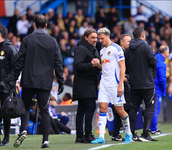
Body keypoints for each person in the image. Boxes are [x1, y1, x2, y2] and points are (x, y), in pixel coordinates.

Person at [1, 14, 64, 148]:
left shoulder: (27, 39)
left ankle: (23, 129)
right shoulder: (52, 41)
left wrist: (13, 78)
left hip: (28, 80)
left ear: (34, 24)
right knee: (45, 110)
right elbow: (58, 62)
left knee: (25, 106)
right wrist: (60, 80)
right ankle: (45, 140)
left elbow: (20, 61)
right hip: (45, 82)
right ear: (46, 25)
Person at [91, 27, 132, 144]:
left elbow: (123, 67)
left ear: (108, 36)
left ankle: (128, 133)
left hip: (115, 84)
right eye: (99, 38)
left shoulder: (117, 49)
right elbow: (104, 68)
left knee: (120, 110)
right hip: (104, 83)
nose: (100, 40)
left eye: (102, 38)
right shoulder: (102, 51)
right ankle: (101, 137)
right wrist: (98, 64)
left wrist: (120, 85)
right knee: (103, 108)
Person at [125, 26, 157, 142]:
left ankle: (132, 133)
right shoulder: (146, 47)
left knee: (133, 108)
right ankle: (145, 133)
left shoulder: (128, 50)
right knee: (149, 107)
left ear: (133, 36)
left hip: (133, 83)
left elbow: (126, 68)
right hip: (147, 84)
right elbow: (153, 61)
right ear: (143, 35)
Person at [73, 29, 101, 143]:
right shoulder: (81, 49)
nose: (95, 40)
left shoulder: (92, 48)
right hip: (84, 83)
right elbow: (77, 66)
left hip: (89, 83)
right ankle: (87, 134)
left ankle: (80, 136)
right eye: (92, 37)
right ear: (86, 37)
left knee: (82, 109)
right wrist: (91, 65)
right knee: (90, 107)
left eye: (96, 37)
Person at [111, 34, 134, 141]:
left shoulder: (128, 53)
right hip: (121, 85)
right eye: (128, 41)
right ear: (122, 43)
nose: (130, 43)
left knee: (123, 109)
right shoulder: (121, 54)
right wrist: (125, 77)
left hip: (125, 85)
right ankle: (122, 133)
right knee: (122, 109)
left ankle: (119, 133)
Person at [0, 25, 19, 146]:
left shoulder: (10, 48)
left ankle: (6, 138)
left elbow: (16, 68)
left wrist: (7, 82)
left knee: (5, 112)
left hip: (5, 86)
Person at [150, 45, 169, 134]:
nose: (168, 53)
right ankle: (154, 128)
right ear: (165, 53)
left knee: (151, 108)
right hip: (157, 89)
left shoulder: (155, 58)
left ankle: (150, 127)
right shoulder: (161, 63)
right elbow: (162, 78)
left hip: (151, 87)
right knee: (156, 109)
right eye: (168, 51)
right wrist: (164, 90)